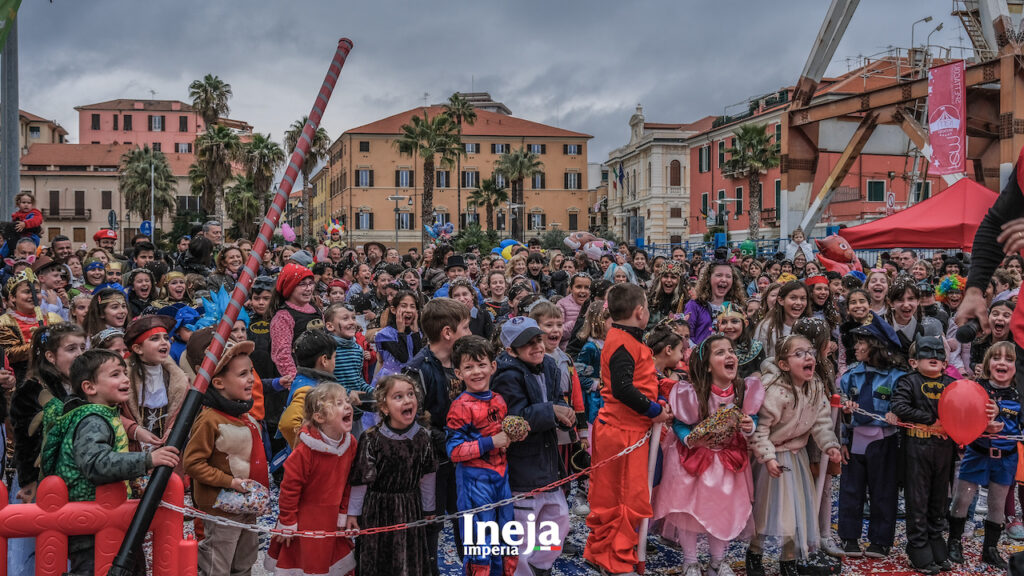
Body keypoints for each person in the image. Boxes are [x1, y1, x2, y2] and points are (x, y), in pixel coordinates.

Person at [41, 348, 179, 575]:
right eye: (115, 374)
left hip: (107, 518)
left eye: (124, 373)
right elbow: (95, 463)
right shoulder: (92, 420)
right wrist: (147, 460)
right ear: (90, 387)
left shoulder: (105, 414)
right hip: (90, 525)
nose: (125, 379)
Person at [655, 333, 763, 576]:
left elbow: (752, 416)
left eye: (731, 351)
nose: (729, 355)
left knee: (722, 508)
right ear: (706, 365)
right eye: (720, 352)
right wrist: (689, 438)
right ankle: (690, 561)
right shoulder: (691, 392)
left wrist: (750, 426)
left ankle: (718, 560)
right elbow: (680, 423)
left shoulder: (744, 389)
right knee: (688, 511)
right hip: (693, 459)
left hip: (727, 459)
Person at [584, 283, 674, 576]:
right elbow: (623, 389)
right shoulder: (623, 342)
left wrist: (657, 396)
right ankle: (615, 560)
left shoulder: (625, 339)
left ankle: (602, 552)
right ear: (639, 312)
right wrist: (654, 411)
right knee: (623, 499)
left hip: (628, 430)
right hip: (623, 432)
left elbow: (638, 381)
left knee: (615, 497)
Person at [747, 334, 841, 576]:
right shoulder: (773, 391)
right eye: (799, 354)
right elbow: (760, 430)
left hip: (796, 456)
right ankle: (755, 553)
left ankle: (788, 558)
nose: (808, 356)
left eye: (810, 351)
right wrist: (768, 458)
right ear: (784, 364)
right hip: (772, 456)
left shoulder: (815, 386)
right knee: (764, 511)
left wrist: (829, 444)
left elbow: (821, 421)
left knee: (796, 512)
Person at [492, 316, 573, 576]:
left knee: (558, 519)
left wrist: (565, 413)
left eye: (538, 339)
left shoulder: (549, 365)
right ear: (511, 351)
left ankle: (540, 566)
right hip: (523, 467)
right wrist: (552, 411)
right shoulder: (506, 377)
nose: (537, 346)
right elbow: (515, 418)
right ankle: (522, 571)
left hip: (549, 463)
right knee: (523, 530)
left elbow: (557, 399)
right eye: (527, 343)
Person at [183, 340, 266, 576]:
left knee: (245, 558)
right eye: (242, 374)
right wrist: (229, 482)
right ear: (219, 383)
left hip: (246, 503)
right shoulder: (209, 420)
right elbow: (193, 463)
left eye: (251, 371)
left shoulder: (244, 415)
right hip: (221, 508)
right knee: (217, 562)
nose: (251, 379)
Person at [403, 297, 471, 574]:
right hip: (432, 463)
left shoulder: (463, 360)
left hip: (463, 459)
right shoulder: (418, 369)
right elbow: (412, 422)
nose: (469, 333)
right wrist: (452, 443)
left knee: (466, 521)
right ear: (447, 332)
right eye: (465, 328)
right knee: (430, 524)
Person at [347, 374, 438, 576]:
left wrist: (429, 507)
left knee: (408, 558)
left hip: (410, 507)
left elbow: (428, 475)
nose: (407, 400)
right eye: (398, 397)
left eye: (410, 394)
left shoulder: (423, 437)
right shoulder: (371, 439)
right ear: (384, 407)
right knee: (378, 560)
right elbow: (361, 480)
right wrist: (353, 513)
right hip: (378, 510)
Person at [265, 382, 357, 576]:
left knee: (337, 565)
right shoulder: (305, 452)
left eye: (346, 401)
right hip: (306, 521)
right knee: (309, 565)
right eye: (339, 403)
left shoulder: (351, 444)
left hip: (333, 519)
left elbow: (350, 482)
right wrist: (288, 522)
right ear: (320, 417)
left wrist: (344, 512)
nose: (347, 406)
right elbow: (289, 489)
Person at [447, 335, 520, 576]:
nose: (477, 372)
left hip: (501, 478)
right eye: (469, 367)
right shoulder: (461, 406)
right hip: (474, 483)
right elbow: (454, 451)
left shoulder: (499, 400)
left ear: (493, 366)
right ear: (459, 373)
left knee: (506, 542)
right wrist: (491, 442)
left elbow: (501, 436)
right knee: (480, 547)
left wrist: (512, 436)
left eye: (481, 365)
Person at [837, 313, 906, 559]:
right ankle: (849, 537)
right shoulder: (850, 376)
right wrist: (843, 440)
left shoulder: (897, 377)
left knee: (883, 491)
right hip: (855, 439)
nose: (856, 347)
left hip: (884, 441)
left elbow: (903, 404)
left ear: (876, 345)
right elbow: (839, 412)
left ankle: (880, 540)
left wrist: (896, 412)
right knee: (851, 490)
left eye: (861, 342)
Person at [889, 336, 957, 574]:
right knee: (917, 499)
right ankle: (918, 546)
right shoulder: (908, 381)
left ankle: (935, 540)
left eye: (939, 353)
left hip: (944, 450)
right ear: (913, 361)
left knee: (939, 500)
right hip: (916, 448)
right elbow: (899, 406)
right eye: (927, 352)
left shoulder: (953, 385)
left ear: (945, 361)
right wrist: (931, 420)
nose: (934, 356)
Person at [947, 341, 1016, 570]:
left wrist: (1001, 410)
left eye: (1009, 359)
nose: (1002, 363)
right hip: (977, 453)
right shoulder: (978, 387)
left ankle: (990, 549)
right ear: (987, 363)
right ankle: (954, 542)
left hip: (1006, 457)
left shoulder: (1019, 392)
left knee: (997, 504)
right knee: (962, 499)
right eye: (996, 358)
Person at [121, 314, 189, 452]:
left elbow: (181, 412)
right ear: (138, 349)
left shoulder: (177, 378)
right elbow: (110, 412)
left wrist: (173, 430)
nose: (164, 342)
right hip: (133, 449)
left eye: (166, 338)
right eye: (155, 338)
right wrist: (134, 430)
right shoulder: (123, 377)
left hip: (166, 447)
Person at [278, 329, 340, 448]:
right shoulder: (308, 389)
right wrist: (308, 447)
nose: (335, 362)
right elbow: (288, 424)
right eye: (334, 357)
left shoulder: (305, 379)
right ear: (324, 360)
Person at [325, 302, 374, 438]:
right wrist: (346, 393)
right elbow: (324, 382)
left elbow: (358, 380)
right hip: (334, 413)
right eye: (345, 318)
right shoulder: (328, 350)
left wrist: (373, 392)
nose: (352, 322)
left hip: (356, 413)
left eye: (353, 318)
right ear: (330, 326)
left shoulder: (357, 349)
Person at [270, 263, 323, 378]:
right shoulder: (283, 317)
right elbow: (282, 355)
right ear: (289, 287)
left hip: (320, 375)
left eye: (310, 283)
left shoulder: (315, 309)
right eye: (302, 284)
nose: (308, 288)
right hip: (300, 378)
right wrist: (296, 381)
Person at [686, 259, 745, 345]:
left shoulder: (736, 306)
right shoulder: (694, 305)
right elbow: (687, 335)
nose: (724, 279)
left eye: (728, 276)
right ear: (708, 278)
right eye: (719, 275)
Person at [755, 280, 810, 355]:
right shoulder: (766, 327)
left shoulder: (809, 326)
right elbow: (760, 357)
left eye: (803, 298)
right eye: (793, 298)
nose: (798, 303)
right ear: (781, 300)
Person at [558, 273, 591, 349]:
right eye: (578, 287)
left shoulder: (593, 305)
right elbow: (558, 332)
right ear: (571, 288)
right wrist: (578, 323)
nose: (583, 291)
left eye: (587, 287)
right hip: (568, 350)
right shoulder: (562, 304)